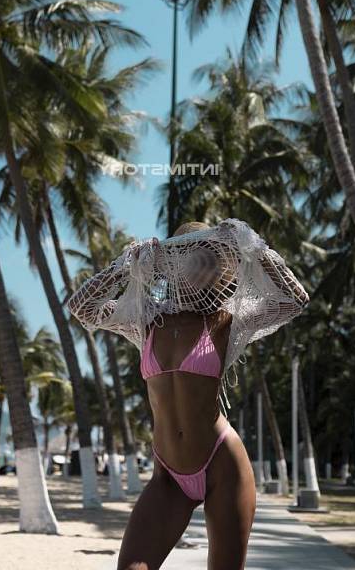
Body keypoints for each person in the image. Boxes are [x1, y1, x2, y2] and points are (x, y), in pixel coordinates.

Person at [66, 218, 309, 570]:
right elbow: (82, 306)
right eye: (194, 259)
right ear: (174, 265)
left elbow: (294, 300)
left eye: (211, 262)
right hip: (167, 475)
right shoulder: (146, 320)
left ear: (221, 273)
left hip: (222, 464)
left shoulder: (227, 321)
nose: (201, 269)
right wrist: (125, 264)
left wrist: (255, 247)